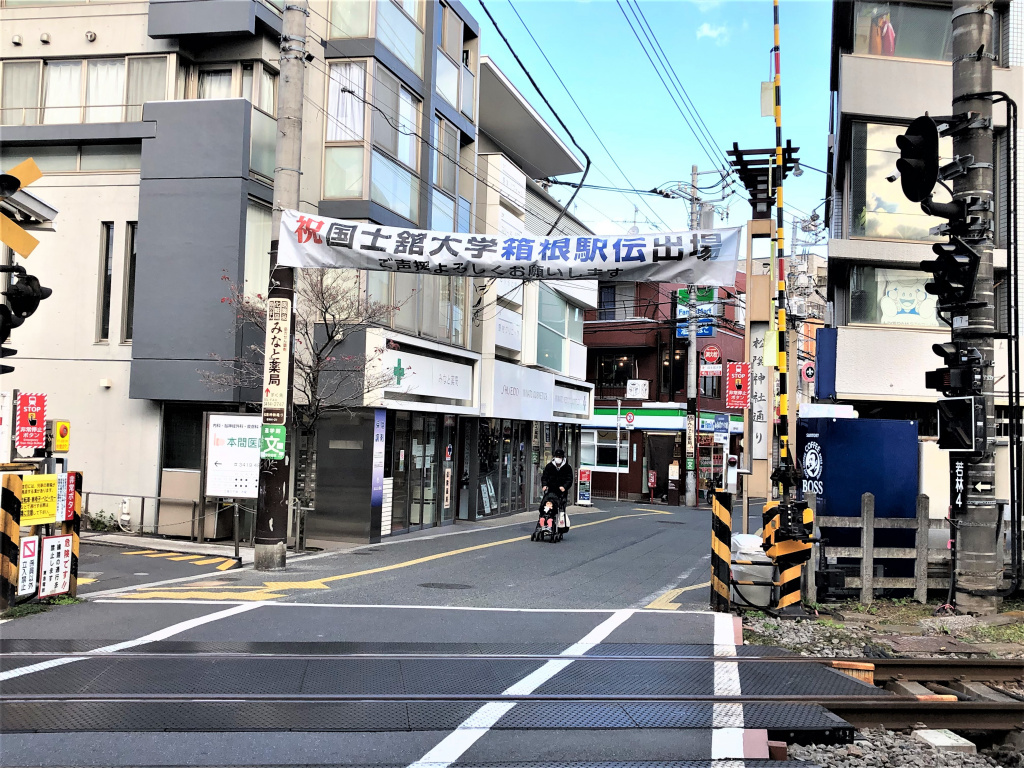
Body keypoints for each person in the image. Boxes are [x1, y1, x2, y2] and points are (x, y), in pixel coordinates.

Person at [540, 448, 574, 530]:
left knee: (560, 508)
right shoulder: (549, 466)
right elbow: (544, 477)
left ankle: (560, 527)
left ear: (562, 457)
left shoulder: (567, 467)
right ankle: (543, 523)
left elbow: (569, 479)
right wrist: (544, 485)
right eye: (557, 456)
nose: (558, 458)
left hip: (561, 492)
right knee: (545, 506)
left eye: (559, 456)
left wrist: (564, 487)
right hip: (550, 490)